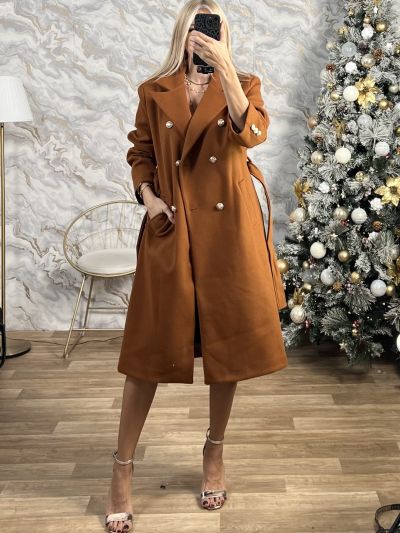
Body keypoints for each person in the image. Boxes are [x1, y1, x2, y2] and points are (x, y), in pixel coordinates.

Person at [105, 1, 288, 531]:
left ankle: (214, 452)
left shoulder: (244, 84)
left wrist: (225, 69)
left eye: (214, 28)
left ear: (225, 35)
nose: (203, 36)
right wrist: (148, 198)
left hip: (229, 235)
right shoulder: (154, 90)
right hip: (173, 226)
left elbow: (252, 134)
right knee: (147, 354)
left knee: (226, 351)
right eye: (196, 27)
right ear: (182, 33)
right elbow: (140, 152)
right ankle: (121, 467)